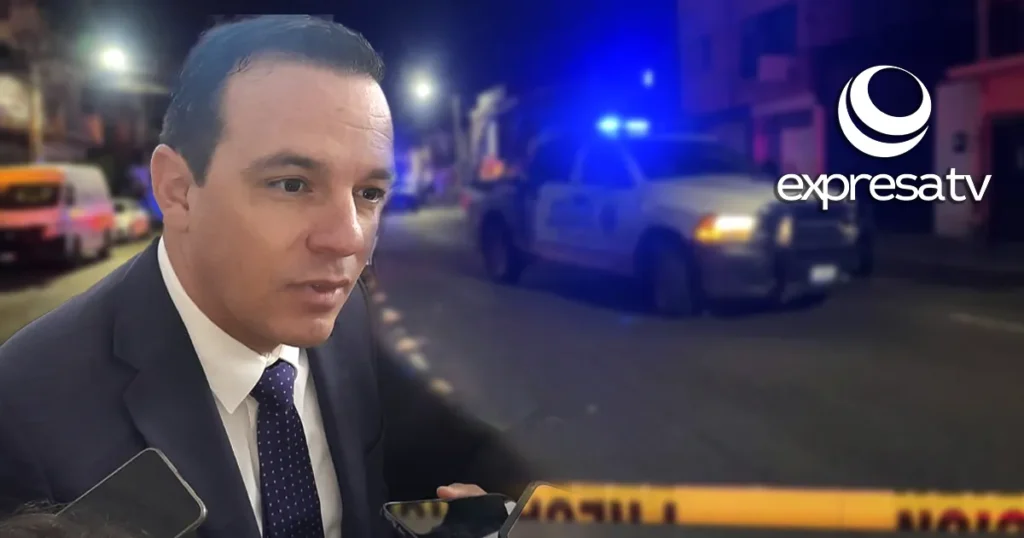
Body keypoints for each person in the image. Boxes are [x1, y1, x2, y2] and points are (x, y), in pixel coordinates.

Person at [0, 15, 532, 538]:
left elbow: (442, 444)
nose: (348, 239)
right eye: (292, 185)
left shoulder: (346, 312)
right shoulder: (23, 410)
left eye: (369, 193)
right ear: (178, 191)